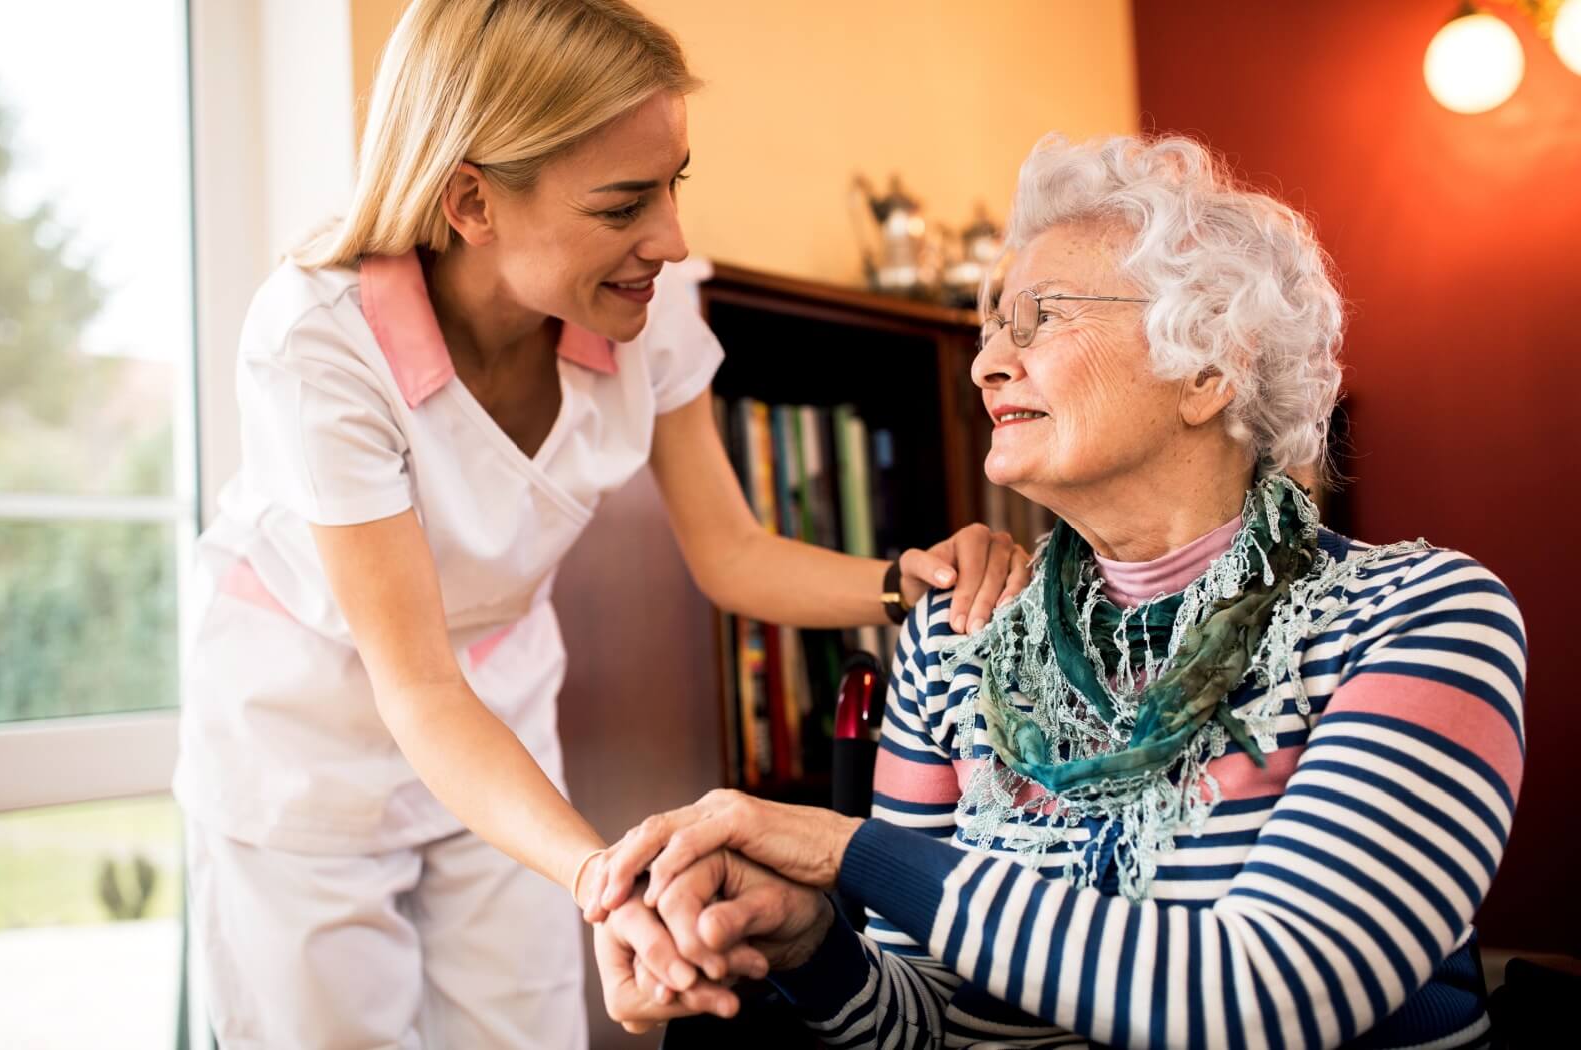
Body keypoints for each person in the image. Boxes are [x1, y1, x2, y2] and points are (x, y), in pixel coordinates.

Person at [171, 1, 1028, 1046]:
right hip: (309, 723)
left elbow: (732, 553)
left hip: (498, 702)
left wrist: (916, 580)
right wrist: (599, 876)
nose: (668, 239)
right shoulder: (320, 343)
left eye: (673, 184)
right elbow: (419, 690)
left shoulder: (640, 308)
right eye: (624, 204)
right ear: (471, 200)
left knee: (523, 1030)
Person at [589, 133, 1528, 1049]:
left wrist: (848, 854)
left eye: (1041, 318)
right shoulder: (958, 637)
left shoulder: (1420, 617)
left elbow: (1271, 994)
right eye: (992, 324)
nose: (987, 361)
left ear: (1210, 367)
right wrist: (813, 942)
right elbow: (918, 1021)